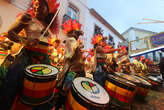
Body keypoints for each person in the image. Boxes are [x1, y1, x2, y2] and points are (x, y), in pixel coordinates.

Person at [0, 0, 59, 109]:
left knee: (45, 88)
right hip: (27, 56)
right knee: (12, 81)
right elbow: (10, 33)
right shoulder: (27, 17)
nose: (37, 8)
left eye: (41, 7)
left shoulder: (46, 26)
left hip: (44, 60)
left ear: (47, 11)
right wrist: (25, 41)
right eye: (35, 5)